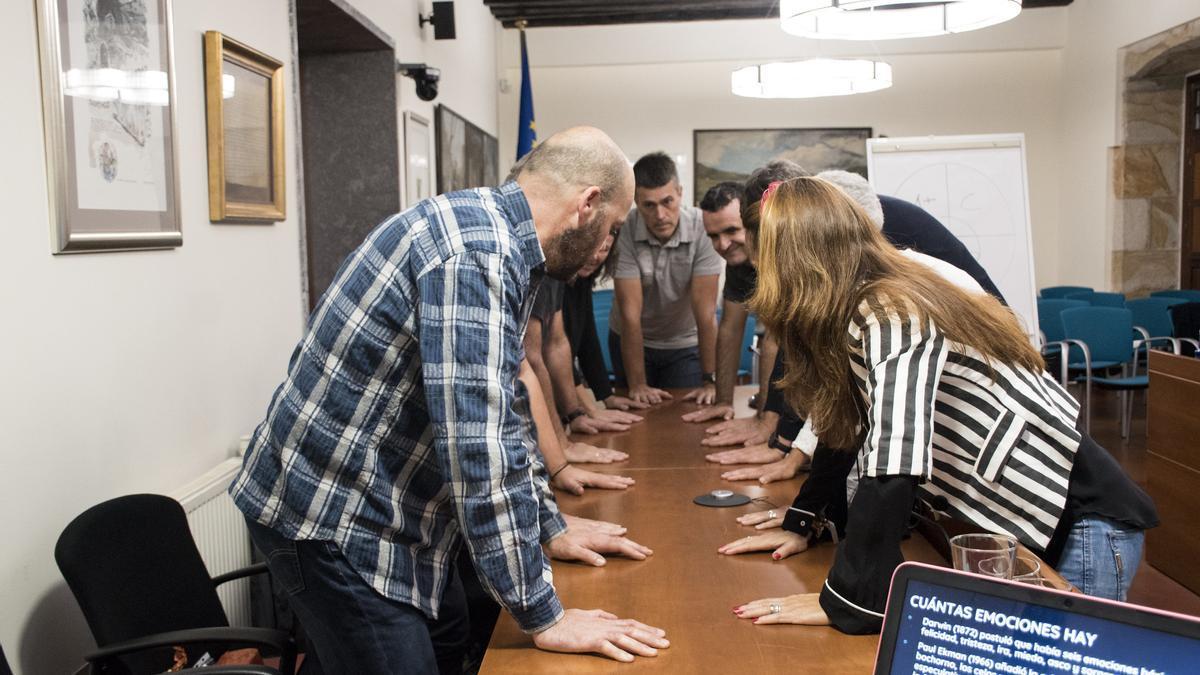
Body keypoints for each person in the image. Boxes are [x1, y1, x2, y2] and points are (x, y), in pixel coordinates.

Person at [229, 126, 670, 673]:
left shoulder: (500, 236)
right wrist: (545, 616)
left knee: (451, 634)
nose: (610, 242)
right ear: (587, 204)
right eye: (614, 225)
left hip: (374, 503)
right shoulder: (477, 256)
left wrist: (548, 525)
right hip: (329, 517)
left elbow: (503, 414)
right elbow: (477, 451)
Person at [718, 176, 1157, 634]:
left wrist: (847, 598)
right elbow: (844, 426)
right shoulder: (859, 307)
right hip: (1041, 524)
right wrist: (803, 521)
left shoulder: (890, 309)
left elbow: (894, 460)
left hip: (1080, 524)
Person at [701, 164, 1006, 480]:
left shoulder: (881, 291)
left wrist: (785, 443)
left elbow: (891, 441)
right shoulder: (848, 272)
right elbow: (836, 388)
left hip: (998, 427)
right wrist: (794, 456)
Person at [610, 152, 724, 404]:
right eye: (649, 205)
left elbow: (705, 314)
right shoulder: (624, 229)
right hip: (631, 339)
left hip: (684, 344)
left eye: (667, 202)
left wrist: (710, 380)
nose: (660, 215)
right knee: (635, 417)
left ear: (680, 193)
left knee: (685, 419)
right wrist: (638, 384)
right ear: (635, 202)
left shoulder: (702, 228)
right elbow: (630, 315)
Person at [680, 181, 780, 415]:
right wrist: (723, 403)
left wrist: (764, 419)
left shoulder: (779, 255)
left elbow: (776, 341)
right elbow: (730, 329)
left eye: (732, 231)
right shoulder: (738, 263)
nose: (723, 245)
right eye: (713, 236)